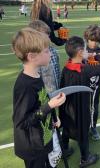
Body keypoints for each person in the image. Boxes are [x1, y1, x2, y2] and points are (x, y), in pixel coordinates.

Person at [12, 27, 66, 168]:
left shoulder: (36, 75)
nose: (51, 54)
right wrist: (50, 106)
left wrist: (53, 117)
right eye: (47, 51)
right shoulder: (25, 86)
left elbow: (40, 101)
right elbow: (22, 122)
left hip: (43, 137)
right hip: (32, 146)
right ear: (32, 56)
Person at [59, 36, 100, 167]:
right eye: (86, 50)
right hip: (81, 108)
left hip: (66, 107)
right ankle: (85, 158)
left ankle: (64, 149)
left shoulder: (66, 68)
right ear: (81, 52)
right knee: (82, 132)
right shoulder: (85, 70)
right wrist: (97, 55)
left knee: (65, 128)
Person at [84, 25, 100, 141]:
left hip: (96, 85)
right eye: (91, 40)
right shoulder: (83, 52)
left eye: (97, 41)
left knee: (94, 106)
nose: (94, 44)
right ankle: (84, 127)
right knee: (84, 106)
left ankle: (93, 127)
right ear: (87, 39)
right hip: (83, 84)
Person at [28, 20, 61, 93]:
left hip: (57, 90)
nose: (48, 39)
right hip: (44, 95)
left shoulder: (52, 50)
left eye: (48, 37)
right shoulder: (33, 57)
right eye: (45, 37)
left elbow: (57, 71)